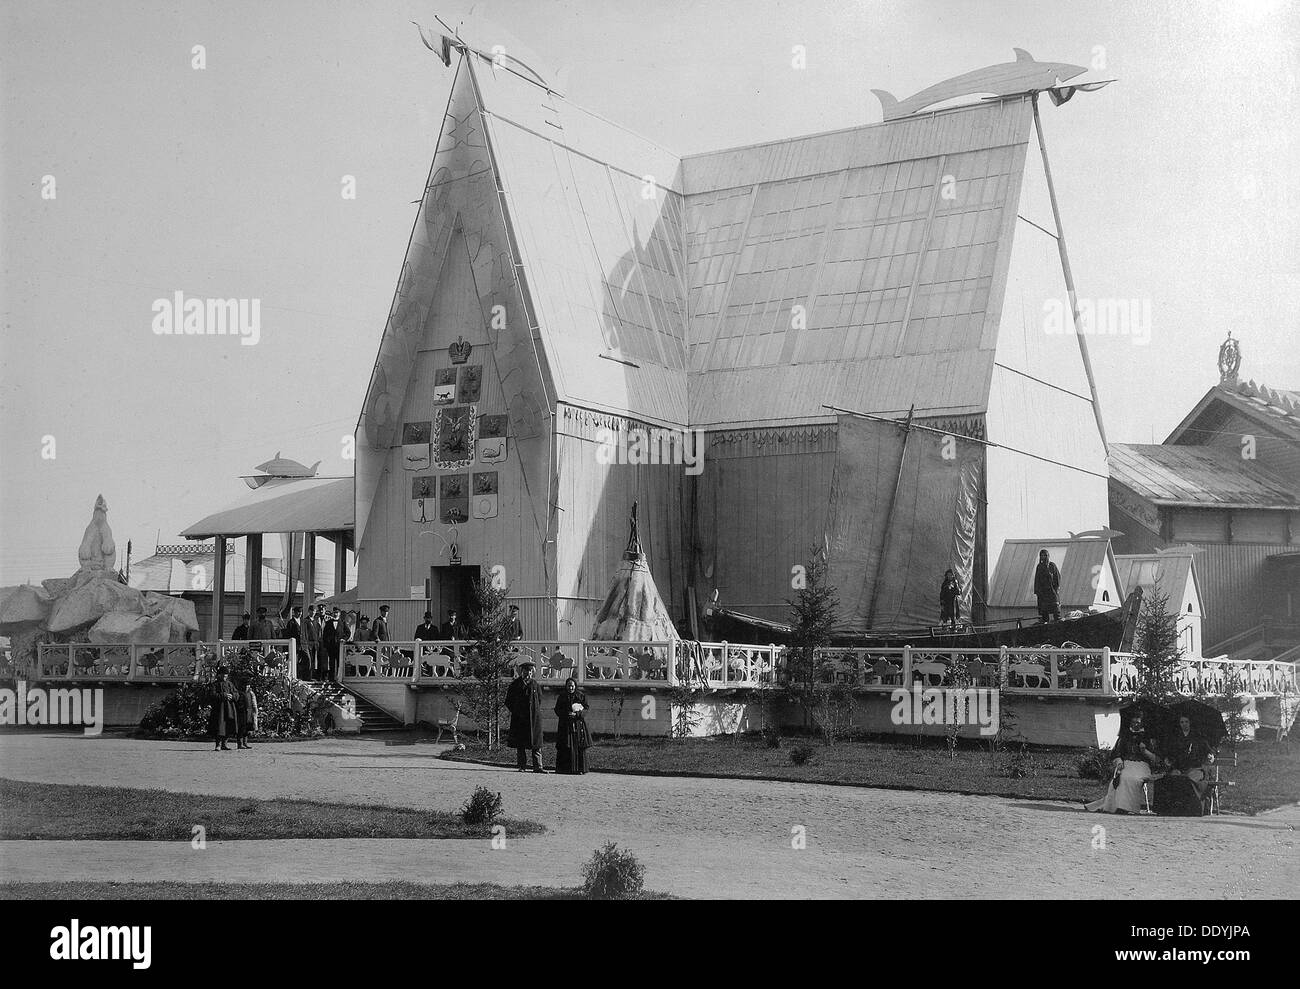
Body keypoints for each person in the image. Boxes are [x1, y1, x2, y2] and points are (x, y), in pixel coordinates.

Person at [1086, 714, 1160, 814]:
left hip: (1142, 765)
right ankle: (1119, 807)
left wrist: (1145, 751)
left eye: (1137, 722)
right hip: (1127, 763)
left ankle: (1130, 807)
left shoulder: (1149, 738)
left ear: (1142, 723)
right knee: (1122, 778)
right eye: (1133, 722)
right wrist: (1119, 762)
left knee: (1134, 779)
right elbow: (1117, 753)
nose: (1135, 725)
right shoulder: (1125, 736)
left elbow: (1156, 759)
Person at [1154, 715, 1211, 815]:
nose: (1184, 724)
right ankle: (1171, 809)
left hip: (1196, 768)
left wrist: (1211, 755)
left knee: (1188, 780)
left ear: (1190, 723)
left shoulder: (1199, 737)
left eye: (1186, 722)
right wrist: (1170, 762)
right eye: (1182, 722)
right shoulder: (1175, 738)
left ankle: (1192, 809)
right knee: (1167, 780)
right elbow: (1170, 754)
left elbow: (1208, 751)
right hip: (1179, 768)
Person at [506, 659, 545, 773]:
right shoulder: (515, 685)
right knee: (520, 744)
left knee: (536, 744)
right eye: (525, 671)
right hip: (520, 719)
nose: (528, 674)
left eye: (530, 672)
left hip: (533, 719)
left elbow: (539, 699)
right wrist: (517, 711)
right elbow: (509, 701)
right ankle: (522, 765)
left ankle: (538, 766)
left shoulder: (535, 685)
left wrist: (534, 711)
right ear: (521, 671)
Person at [553, 677, 590, 774]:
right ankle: (565, 769)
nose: (570, 688)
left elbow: (586, 709)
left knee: (578, 746)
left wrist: (577, 714)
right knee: (565, 746)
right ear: (566, 686)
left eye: (572, 686)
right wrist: (566, 714)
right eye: (569, 686)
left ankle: (579, 769)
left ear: (575, 686)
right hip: (565, 725)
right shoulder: (562, 697)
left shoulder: (581, 696)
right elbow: (557, 709)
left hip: (578, 725)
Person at [208, 665, 239, 751]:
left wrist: (232, 696)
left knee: (229, 726)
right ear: (219, 675)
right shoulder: (215, 684)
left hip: (229, 708)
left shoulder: (230, 684)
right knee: (219, 726)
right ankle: (218, 744)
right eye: (223, 675)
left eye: (226, 675)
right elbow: (212, 695)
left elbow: (236, 694)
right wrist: (224, 695)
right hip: (219, 709)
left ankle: (224, 744)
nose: (225, 677)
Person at [1034, 549, 1061, 623]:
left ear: (1048, 556)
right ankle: (1045, 622)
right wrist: (1037, 591)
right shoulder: (1039, 567)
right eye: (1042, 555)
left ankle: (1057, 620)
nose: (1043, 557)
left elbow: (1057, 577)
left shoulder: (1052, 565)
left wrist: (1056, 588)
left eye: (1045, 555)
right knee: (1044, 610)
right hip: (1043, 592)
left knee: (1055, 607)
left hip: (1052, 590)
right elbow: (1037, 579)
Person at [235, 677, 258, 749]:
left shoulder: (250, 693)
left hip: (249, 712)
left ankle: (245, 743)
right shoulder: (240, 693)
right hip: (242, 713)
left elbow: (252, 703)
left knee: (247, 728)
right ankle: (240, 743)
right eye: (245, 685)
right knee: (241, 728)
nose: (246, 687)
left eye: (248, 685)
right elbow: (238, 703)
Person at [320, 608, 339, 680]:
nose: (335, 614)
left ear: (339, 613)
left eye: (337, 612)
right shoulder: (328, 623)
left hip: (339, 646)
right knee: (331, 662)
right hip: (331, 646)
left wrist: (343, 639)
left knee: (339, 662)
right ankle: (331, 677)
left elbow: (348, 632)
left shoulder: (342, 622)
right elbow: (325, 634)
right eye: (334, 612)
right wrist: (327, 643)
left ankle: (338, 676)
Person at [284, 606, 303, 675]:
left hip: (302, 645)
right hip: (295, 645)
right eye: (298, 612)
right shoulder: (291, 622)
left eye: (301, 612)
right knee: (295, 660)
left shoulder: (303, 621)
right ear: (295, 613)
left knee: (302, 661)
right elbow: (288, 634)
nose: (300, 614)